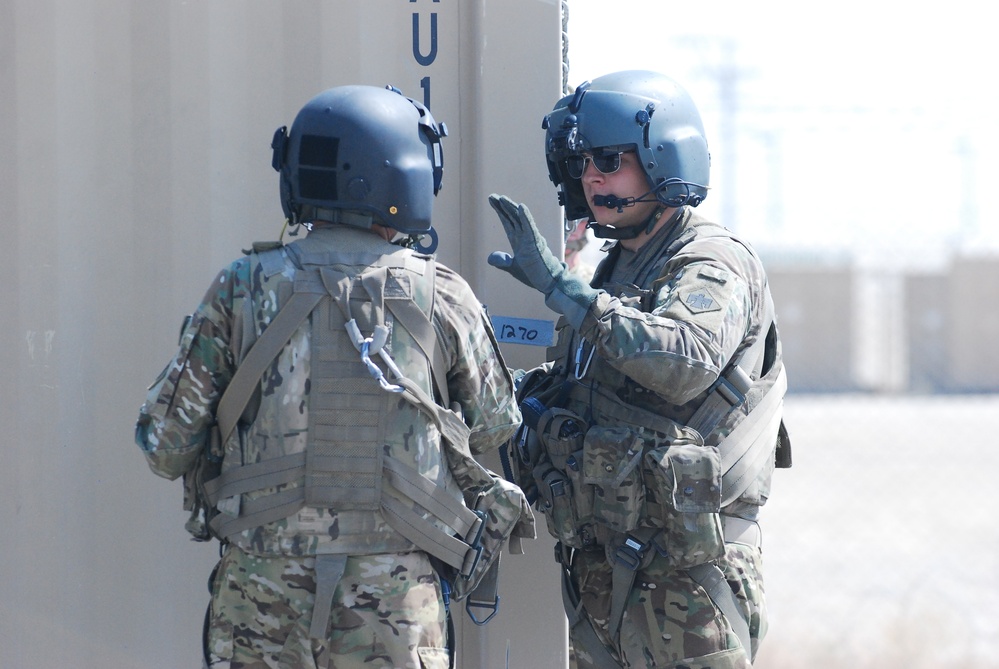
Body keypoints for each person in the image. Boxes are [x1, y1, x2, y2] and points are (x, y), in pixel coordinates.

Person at [135, 84, 532, 669]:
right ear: (407, 177)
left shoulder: (242, 287)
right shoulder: (442, 294)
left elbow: (166, 447)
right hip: (396, 607)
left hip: (261, 599)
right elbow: (496, 427)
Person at [488, 70, 791, 668]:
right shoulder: (616, 270)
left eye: (609, 159)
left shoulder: (711, 259)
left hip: (687, 579)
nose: (593, 177)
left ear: (663, 159)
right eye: (583, 164)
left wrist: (564, 290)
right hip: (605, 570)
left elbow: (685, 360)